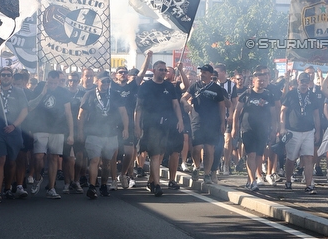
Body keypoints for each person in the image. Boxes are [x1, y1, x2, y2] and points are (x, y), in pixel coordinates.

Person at [134, 59, 184, 197]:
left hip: (166, 125)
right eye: (160, 69)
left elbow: (175, 105)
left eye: (164, 70)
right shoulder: (146, 86)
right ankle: (157, 185)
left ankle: (151, 181)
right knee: (155, 155)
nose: (163, 72)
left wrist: (180, 120)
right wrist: (137, 126)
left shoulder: (169, 86)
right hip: (150, 125)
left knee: (161, 155)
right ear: (154, 70)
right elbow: (138, 108)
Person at [77, 71, 128, 200]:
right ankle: (92, 186)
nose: (106, 84)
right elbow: (81, 114)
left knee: (106, 162)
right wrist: (80, 131)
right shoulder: (89, 95)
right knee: (94, 160)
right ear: (97, 81)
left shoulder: (115, 95)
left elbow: (123, 113)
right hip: (93, 133)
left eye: (108, 81)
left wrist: (126, 128)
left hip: (111, 134)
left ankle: (104, 185)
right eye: (103, 81)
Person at [0, 68, 29, 203]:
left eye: (8, 75)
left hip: (14, 130)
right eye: (3, 75)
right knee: (0, 159)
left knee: (11, 161)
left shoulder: (19, 92)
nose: (6, 77)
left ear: (12, 78)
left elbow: (25, 110)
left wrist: (14, 125)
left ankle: (8, 188)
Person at [27, 70, 74, 199]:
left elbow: (68, 113)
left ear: (59, 81)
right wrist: (42, 93)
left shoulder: (64, 92)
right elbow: (30, 106)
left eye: (55, 82)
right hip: (40, 127)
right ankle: (38, 177)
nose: (53, 85)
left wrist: (71, 133)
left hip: (58, 129)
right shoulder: (39, 88)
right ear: (47, 79)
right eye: (51, 82)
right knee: (38, 156)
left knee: (54, 158)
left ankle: (51, 188)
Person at [233, 66, 280, 192]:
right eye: (259, 81)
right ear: (254, 81)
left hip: (263, 129)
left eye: (264, 80)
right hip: (248, 129)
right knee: (251, 154)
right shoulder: (247, 94)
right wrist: (234, 127)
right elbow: (236, 112)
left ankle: (250, 180)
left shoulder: (268, 95)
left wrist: (275, 128)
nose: (262, 83)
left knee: (259, 156)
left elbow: (273, 113)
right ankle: (253, 181)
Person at [186, 64, 228, 185]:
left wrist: (222, 122)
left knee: (209, 149)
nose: (202, 74)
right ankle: (196, 166)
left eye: (205, 72)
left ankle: (207, 174)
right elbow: (184, 97)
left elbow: (222, 106)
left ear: (210, 74)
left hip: (212, 122)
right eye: (201, 72)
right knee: (197, 147)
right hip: (197, 120)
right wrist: (186, 103)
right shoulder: (195, 86)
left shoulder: (217, 88)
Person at [280, 72, 322, 193]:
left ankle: (309, 185)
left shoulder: (312, 96)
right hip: (293, 130)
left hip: (309, 131)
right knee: (291, 158)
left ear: (309, 82)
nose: (304, 84)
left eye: (306, 81)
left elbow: (316, 115)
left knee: (309, 158)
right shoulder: (291, 94)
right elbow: (283, 111)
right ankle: (288, 180)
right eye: (302, 81)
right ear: (298, 81)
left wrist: (318, 131)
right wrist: (282, 127)